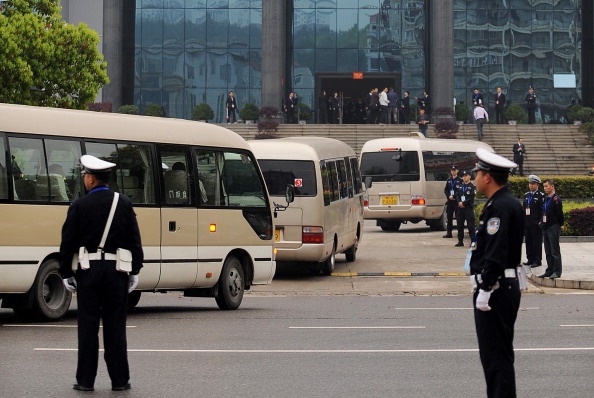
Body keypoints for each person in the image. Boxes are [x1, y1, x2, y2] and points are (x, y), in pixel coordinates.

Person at [59, 155, 143, 392]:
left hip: (89, 271)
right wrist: (135, 270)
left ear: (92, 179)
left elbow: (68, 242)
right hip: (117, 272)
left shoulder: (79, 205)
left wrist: (66, 273)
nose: (85, 179)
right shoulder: (124, 203)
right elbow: (134, 240)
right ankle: (120, 380)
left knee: (88, 327)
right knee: (116, 326)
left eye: (86, 175)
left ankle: (85, 381)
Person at [469, 147, 524, 398]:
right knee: (498, 356)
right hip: (502, 287)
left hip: (497, 289)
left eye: (477, 173)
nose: (475, 177)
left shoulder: (500, 207)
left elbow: (496, 252)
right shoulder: (503, 202)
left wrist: (485, 288)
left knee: (496, 358)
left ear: (488, 177)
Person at [538, 179, 564, 279]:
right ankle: (549, 270)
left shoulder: (556, 199)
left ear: (552, 186)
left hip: (553, 227)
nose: (545, 188)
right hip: (545, 226)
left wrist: (560, 224)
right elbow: (543, 211)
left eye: (546, 186)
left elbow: (559, 214)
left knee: (554, 251)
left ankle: (557, 271)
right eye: (544, 186)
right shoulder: (545, 198)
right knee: (548, 250)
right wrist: (541, 221)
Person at [522, 174, 545, 268]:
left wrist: (540, 222)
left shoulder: (540, 196)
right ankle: (530, 259)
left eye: (533, 184)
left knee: (537, 243)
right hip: (527, 223)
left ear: (537, 185)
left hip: (536, 224)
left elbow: (542, 210)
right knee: (528, 242)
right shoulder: (527, 195)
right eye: (530, 183)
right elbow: (524, 209)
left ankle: (537, 260)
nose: (531, 185)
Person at [455, 170, 476, 247]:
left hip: (468, 208)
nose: (464, 177)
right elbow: (457, 195)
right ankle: (460, 241)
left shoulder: (472, 187)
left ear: (470, 176)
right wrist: (459, 202)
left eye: (466, 176)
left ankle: (473, 242)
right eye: (463, 176)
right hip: (460, 208)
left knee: (470, 225)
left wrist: (464, 203)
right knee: (459, 225)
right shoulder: (461, 186)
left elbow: (471, 197)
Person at [443, 165, 462, 238]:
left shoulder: (460, 180)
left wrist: (454, 196)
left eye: (454, 170)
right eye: (452, 170)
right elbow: (446, 190)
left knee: (458, 218)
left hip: (456, 201)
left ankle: (459, 233)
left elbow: (460, 190)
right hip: (450, 202)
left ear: (457, 171)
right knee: (449, 217)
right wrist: (448, 196)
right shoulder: (449, 180)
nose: (453, 171)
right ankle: (449, 233)